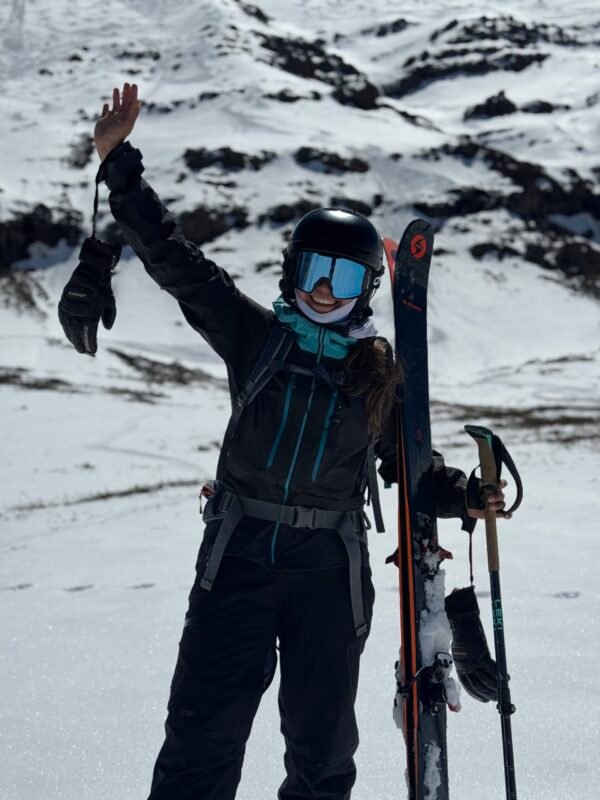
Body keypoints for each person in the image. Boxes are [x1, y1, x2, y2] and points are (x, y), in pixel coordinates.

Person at [61, 83, 510, 800]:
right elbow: (175, 260)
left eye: (342, 278)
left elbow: (412, 469)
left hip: (329, 577)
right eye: (313, 272)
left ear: (365, 289)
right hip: (237, 558)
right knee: (199, 746)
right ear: (292, 271)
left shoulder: (377, 376)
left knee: (322, 755)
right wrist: (119, 163)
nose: (325, 292)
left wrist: (465, 494)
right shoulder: (257, 338)